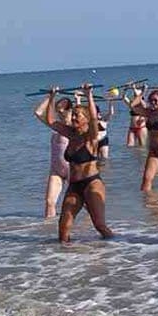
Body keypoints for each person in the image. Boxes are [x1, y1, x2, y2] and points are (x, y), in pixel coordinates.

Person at [42, 85, 114, 241]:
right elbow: (50, 120)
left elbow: (94, 119)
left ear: (86, 119)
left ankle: (118, 247)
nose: (73, 118)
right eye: (73, 115)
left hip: (92, 183)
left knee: (99, 225)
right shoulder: (70, 134)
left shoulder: (91, 136)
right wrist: (52, 97)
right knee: (63, 227)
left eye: (77, 116)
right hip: (74, 185)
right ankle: (64, 259)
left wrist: (89, 95)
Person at [34, 91, 74, 218]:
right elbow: (39, 112)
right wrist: (50, 97)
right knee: (49, 202)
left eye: (62, 111)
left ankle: (90, 228)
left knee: (82, 202)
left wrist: (80, 99)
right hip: (56, 170)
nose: (59, 113)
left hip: (72, 169)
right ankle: (48, 230)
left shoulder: (74, 127)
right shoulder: (57, 126)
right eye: (57, 111)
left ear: (70, 110)